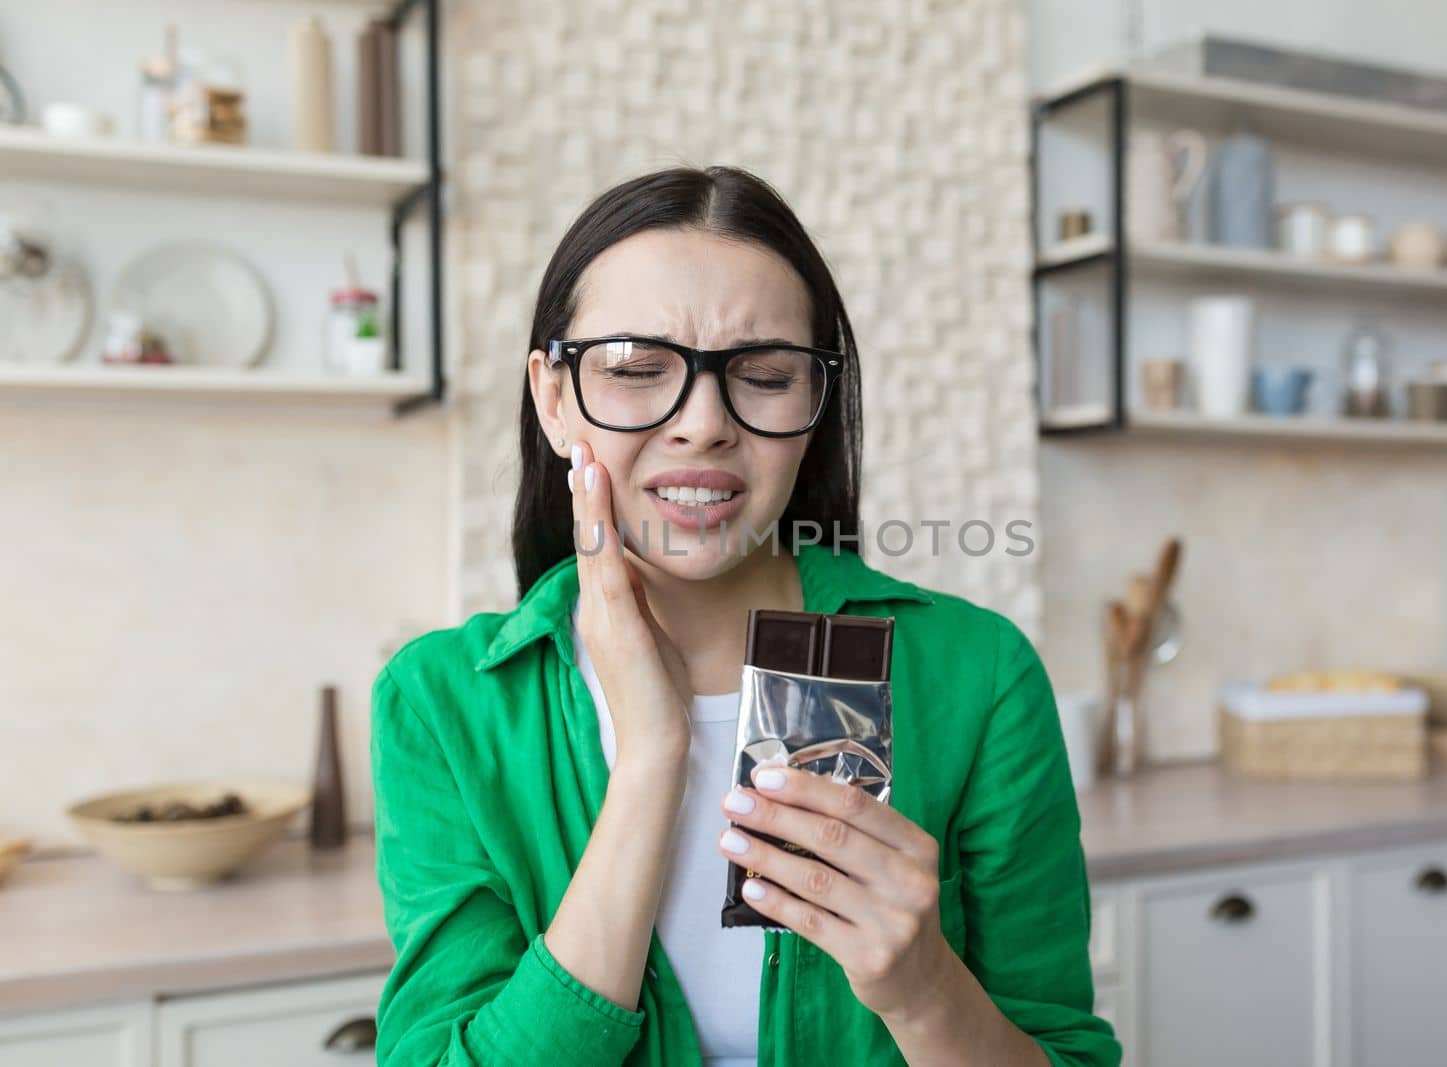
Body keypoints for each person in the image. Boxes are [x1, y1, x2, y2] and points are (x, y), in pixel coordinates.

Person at [370, 165, 1119, 1066]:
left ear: (817, 405)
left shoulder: (980, 674)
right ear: (554, 396)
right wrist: (653, 757)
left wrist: (925, 991)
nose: (702, 423)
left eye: (764, 375)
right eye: (639, 370)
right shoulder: (441, 704)